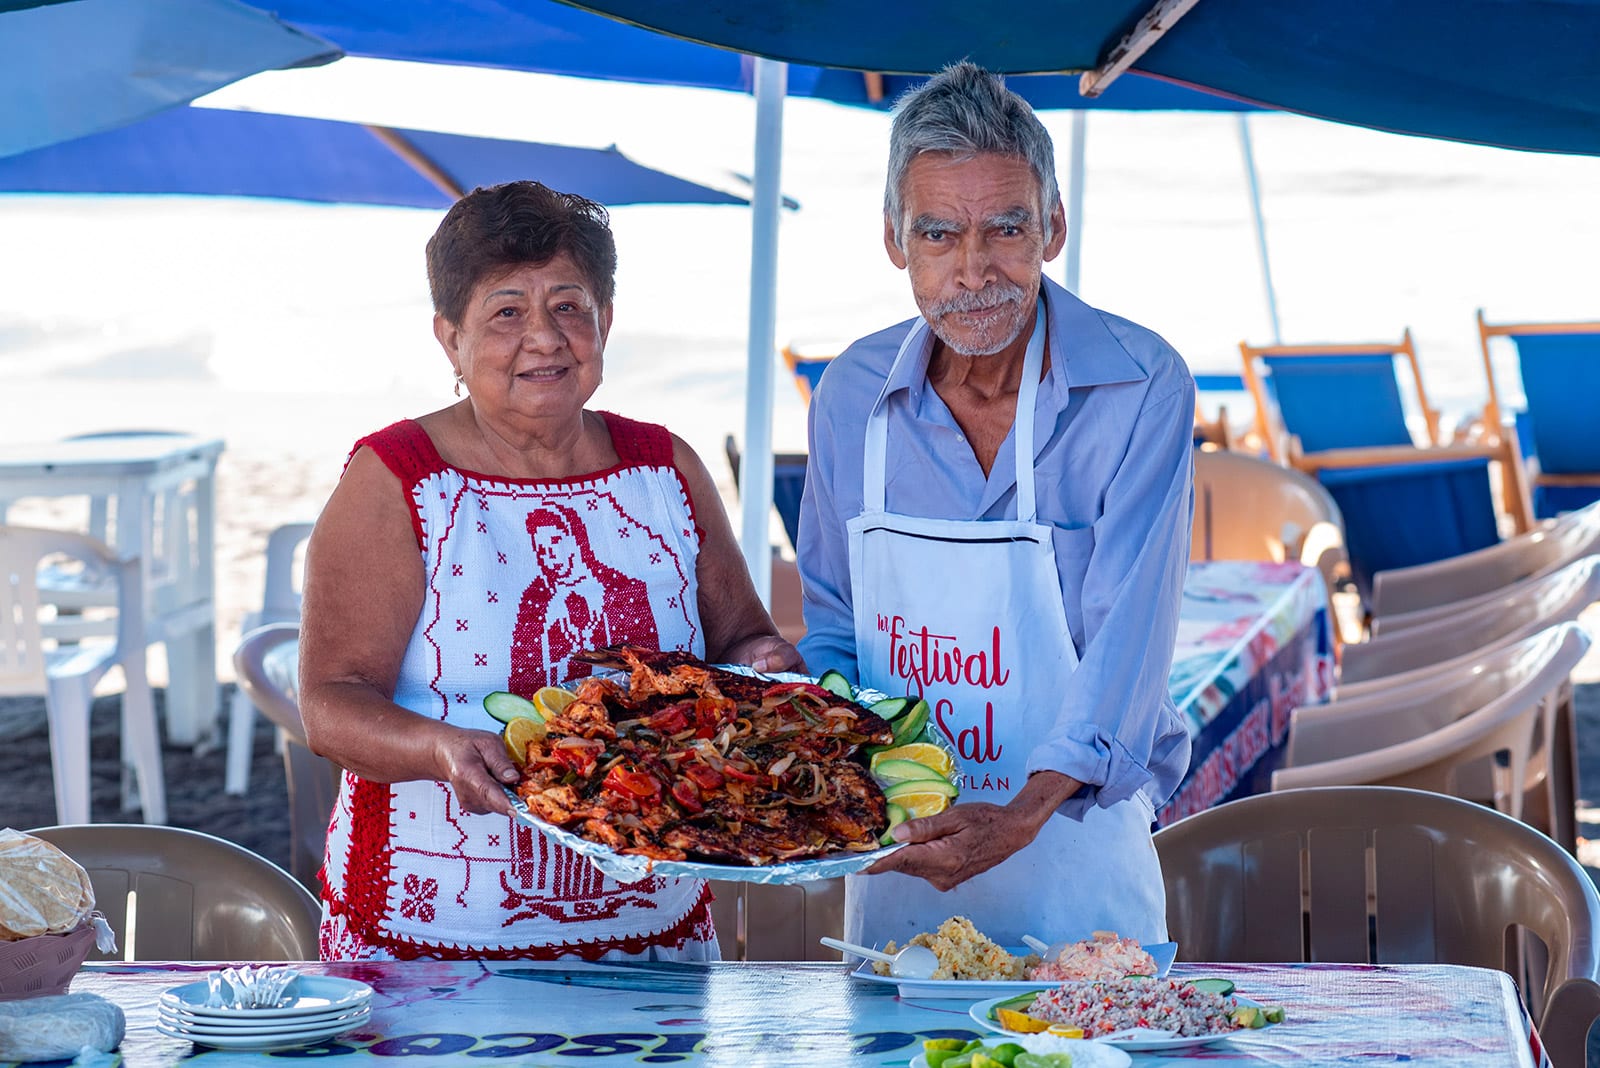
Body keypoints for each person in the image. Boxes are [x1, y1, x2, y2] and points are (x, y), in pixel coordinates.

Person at [299, 180, 800, 961]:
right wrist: (441, 748)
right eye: (506, 312)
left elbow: (742, 638)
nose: (545, 337)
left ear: (604, 321)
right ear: (448, 337)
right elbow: (330, 704)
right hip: (432, 945)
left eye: (570, 306)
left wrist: (764, 670)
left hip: (655, 938)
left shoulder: (664, 467)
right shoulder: (398, 479)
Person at [797, 62, 1195, 948]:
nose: (974, 271)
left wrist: (1019, 817)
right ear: (896, 242)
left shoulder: (1140, 386)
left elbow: (1129, 648)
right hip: (901, 861)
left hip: (1076, 860)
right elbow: (832, 624)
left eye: (1005, 228)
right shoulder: (850, 397)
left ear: (1053, 226)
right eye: (938, 235)